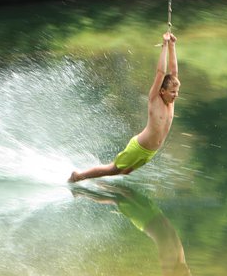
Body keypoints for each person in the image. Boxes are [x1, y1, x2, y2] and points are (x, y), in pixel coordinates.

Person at [71, 183, 195, 276]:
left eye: (186, 275)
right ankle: (94, 179)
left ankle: (80, 192)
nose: (188, 272)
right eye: (190, 274)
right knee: (127, 190)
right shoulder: (181, 261)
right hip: (155, 212)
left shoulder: (168, 270)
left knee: (117, 199)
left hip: (145, 221)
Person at [68, 31, 179, 183]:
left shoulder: (171, 103)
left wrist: (173, 46)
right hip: (139, 147)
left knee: (124, 172)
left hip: (151, 152)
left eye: (176, 92)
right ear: (162, 91)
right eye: (173, 92)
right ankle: (79, 176)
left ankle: (102, 186)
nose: (175, 95)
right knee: (113, 168)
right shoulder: (155, 99)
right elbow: (161, 73)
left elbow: (174, 72)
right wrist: (165, 45)